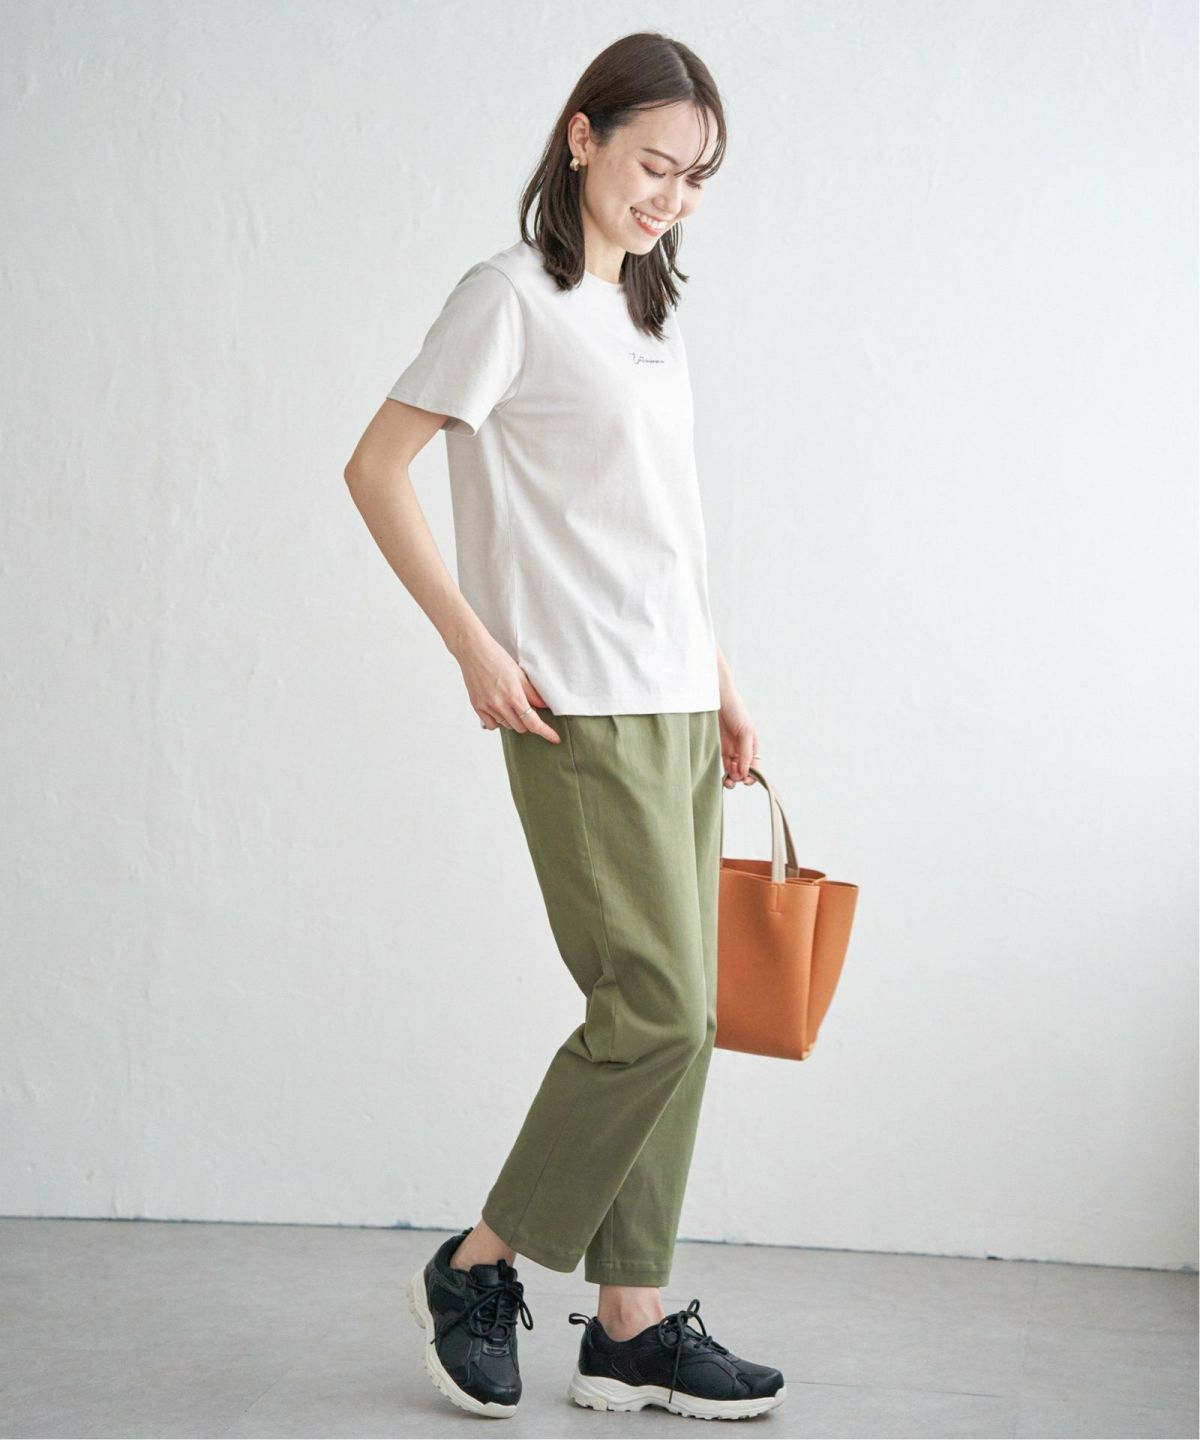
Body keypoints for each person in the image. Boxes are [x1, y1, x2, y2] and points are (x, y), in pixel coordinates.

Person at [343, 30, 787, 1423]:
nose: (673, 196)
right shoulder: (510, 299)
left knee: (687, 1022)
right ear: (582, 137)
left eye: (697, 177)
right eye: (656, 163)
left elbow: (657, 530)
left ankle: (630, 1324)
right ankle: (478, 1264)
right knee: (652, 1009)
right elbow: (376, 468)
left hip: (674, 698)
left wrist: (720, 676)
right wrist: (472, 644)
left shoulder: (647, 319)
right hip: (574, 707)